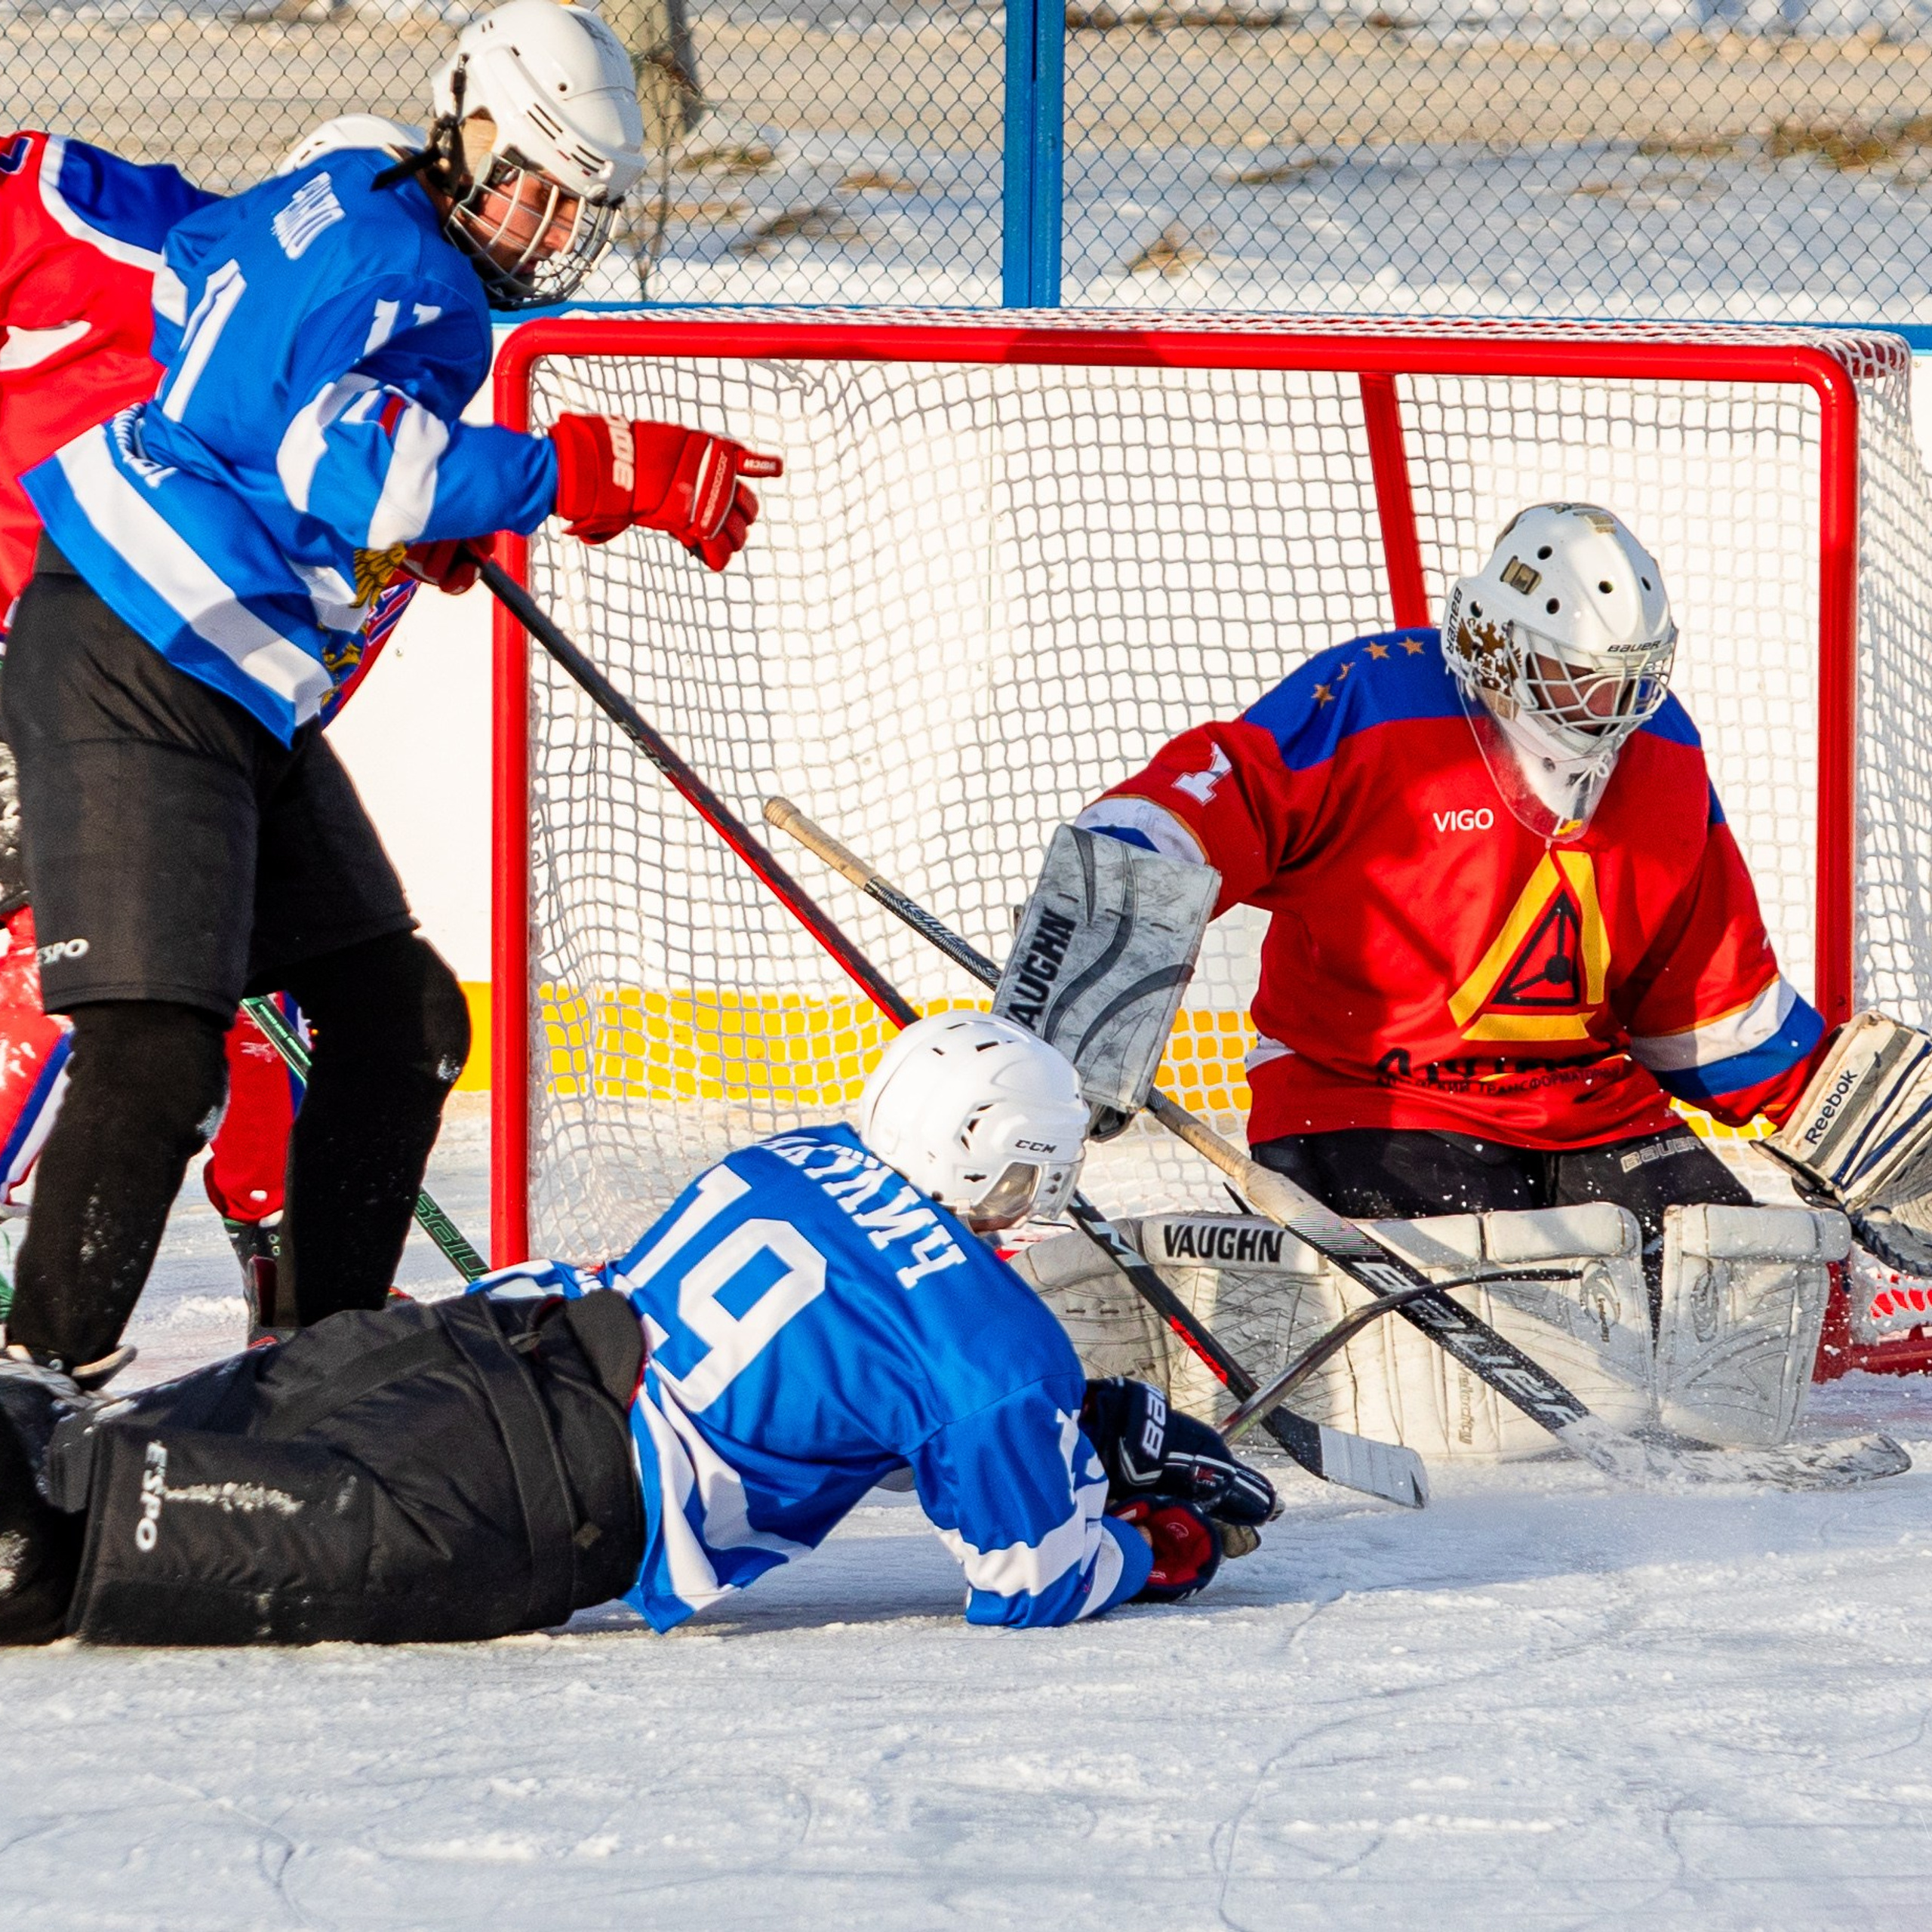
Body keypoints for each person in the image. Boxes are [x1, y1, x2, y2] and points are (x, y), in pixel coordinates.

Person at [2, 1, 782, 1384]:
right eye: (533, 189)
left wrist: (400, 519)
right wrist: (591, 474)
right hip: (146, 648)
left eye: (573, 211)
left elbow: (205, 300)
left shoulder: (341, 187)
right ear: (467, 128)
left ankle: (318, 1368)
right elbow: (342, 464)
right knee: (157, 1050)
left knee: (403, 1018)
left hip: (222, 663)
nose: (547, 233)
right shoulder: (416, 277)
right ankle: (32, 1385)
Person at [0, 1014, 1277, 1647]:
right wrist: (1157, 1538)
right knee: (45, 1552)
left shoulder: (795, 1157)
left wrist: (1076, 1431)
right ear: (1010, 1165)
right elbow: (1028, 1583)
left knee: (59, 1446)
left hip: (468, 1347)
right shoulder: (995, 1350)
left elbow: (833, 1375)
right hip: (522, 1499)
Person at [1070, 503, 1833, 1257]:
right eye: (1575, 678)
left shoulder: (1664, 749)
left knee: (1743, 1289)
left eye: (1623, 682)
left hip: (1586, 1108)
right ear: (1494, 647)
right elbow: (1212, 805)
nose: (1606, 713)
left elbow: (1708, 1000)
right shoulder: (1373, 703)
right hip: (1368, 1100)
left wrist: (1848, 1120)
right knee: (1492, 1328)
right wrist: (1099, 949)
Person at [0, 121, 422, 1340]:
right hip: (56, 671)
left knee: (350, 1009)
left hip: (153, 707)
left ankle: (296, 1316)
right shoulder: (134, 238)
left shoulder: (364, 431)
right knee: (130, 1025)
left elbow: (303, 669)